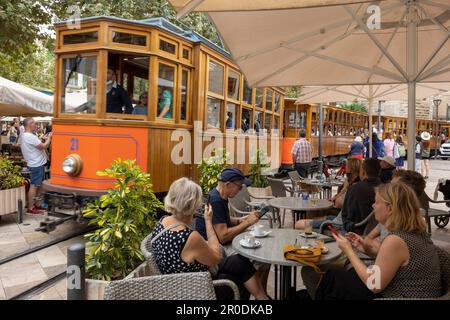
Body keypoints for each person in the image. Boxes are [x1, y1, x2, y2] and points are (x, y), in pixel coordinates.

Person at [316, 182, 441, 300]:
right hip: (410, 292)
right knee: (335, 278)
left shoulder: (396, 240)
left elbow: (374, 284)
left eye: (376, 202)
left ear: (390, 209)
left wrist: (349, 251)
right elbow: (395, 263)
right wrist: (365, 249)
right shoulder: (416, 232)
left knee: (332, 278)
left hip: (395, 296)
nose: (373, 206)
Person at [150, 178, 268, 300]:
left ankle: (262, 297)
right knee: (239, 280)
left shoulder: (162, 222)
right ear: (193, 205)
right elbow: (217, 257)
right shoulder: (189, 237)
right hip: (196, 289)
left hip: (174, 284)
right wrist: (208, 221)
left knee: (240, 261)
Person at [194, 167, 270, 291]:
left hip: (215, 243)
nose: (240, 190)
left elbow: (221, 219)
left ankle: (258, 291)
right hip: (215, 248)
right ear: (228, 184)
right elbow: (223, 237)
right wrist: (247, 223)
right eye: (240, 186)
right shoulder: (216, 200)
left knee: (258, 248)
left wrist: (241, 220)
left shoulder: (217, 194)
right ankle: (258, 292)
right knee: (261, 259)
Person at [295, 157, 362, 230]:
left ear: (351, 169)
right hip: (339, 219)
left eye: (347, 166)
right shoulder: (357, 184)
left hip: (338, 223)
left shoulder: (354, 188)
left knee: (298, 224)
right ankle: (311, 229)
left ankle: (311, 230)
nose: (345, 168)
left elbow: (338, 203)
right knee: (314, 211)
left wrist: (345, 188)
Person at [341, 158, 381, 234]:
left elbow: (346, 215)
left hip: (356, 230)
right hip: (378, 232)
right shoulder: (385, 189)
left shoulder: (354, 189)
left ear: (363, 172)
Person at [20, 118, 51, 214]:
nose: (36, 126)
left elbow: (37, 145)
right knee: (34, 185)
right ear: (30, 125)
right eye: (35, 124)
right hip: (36, 164)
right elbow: (44, 146)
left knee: (40, 185)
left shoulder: (25, 135)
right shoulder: (30, 136)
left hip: (36, 163)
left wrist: (41, 140)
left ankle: (38, 204)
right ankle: (31, 207)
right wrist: (49, 138)